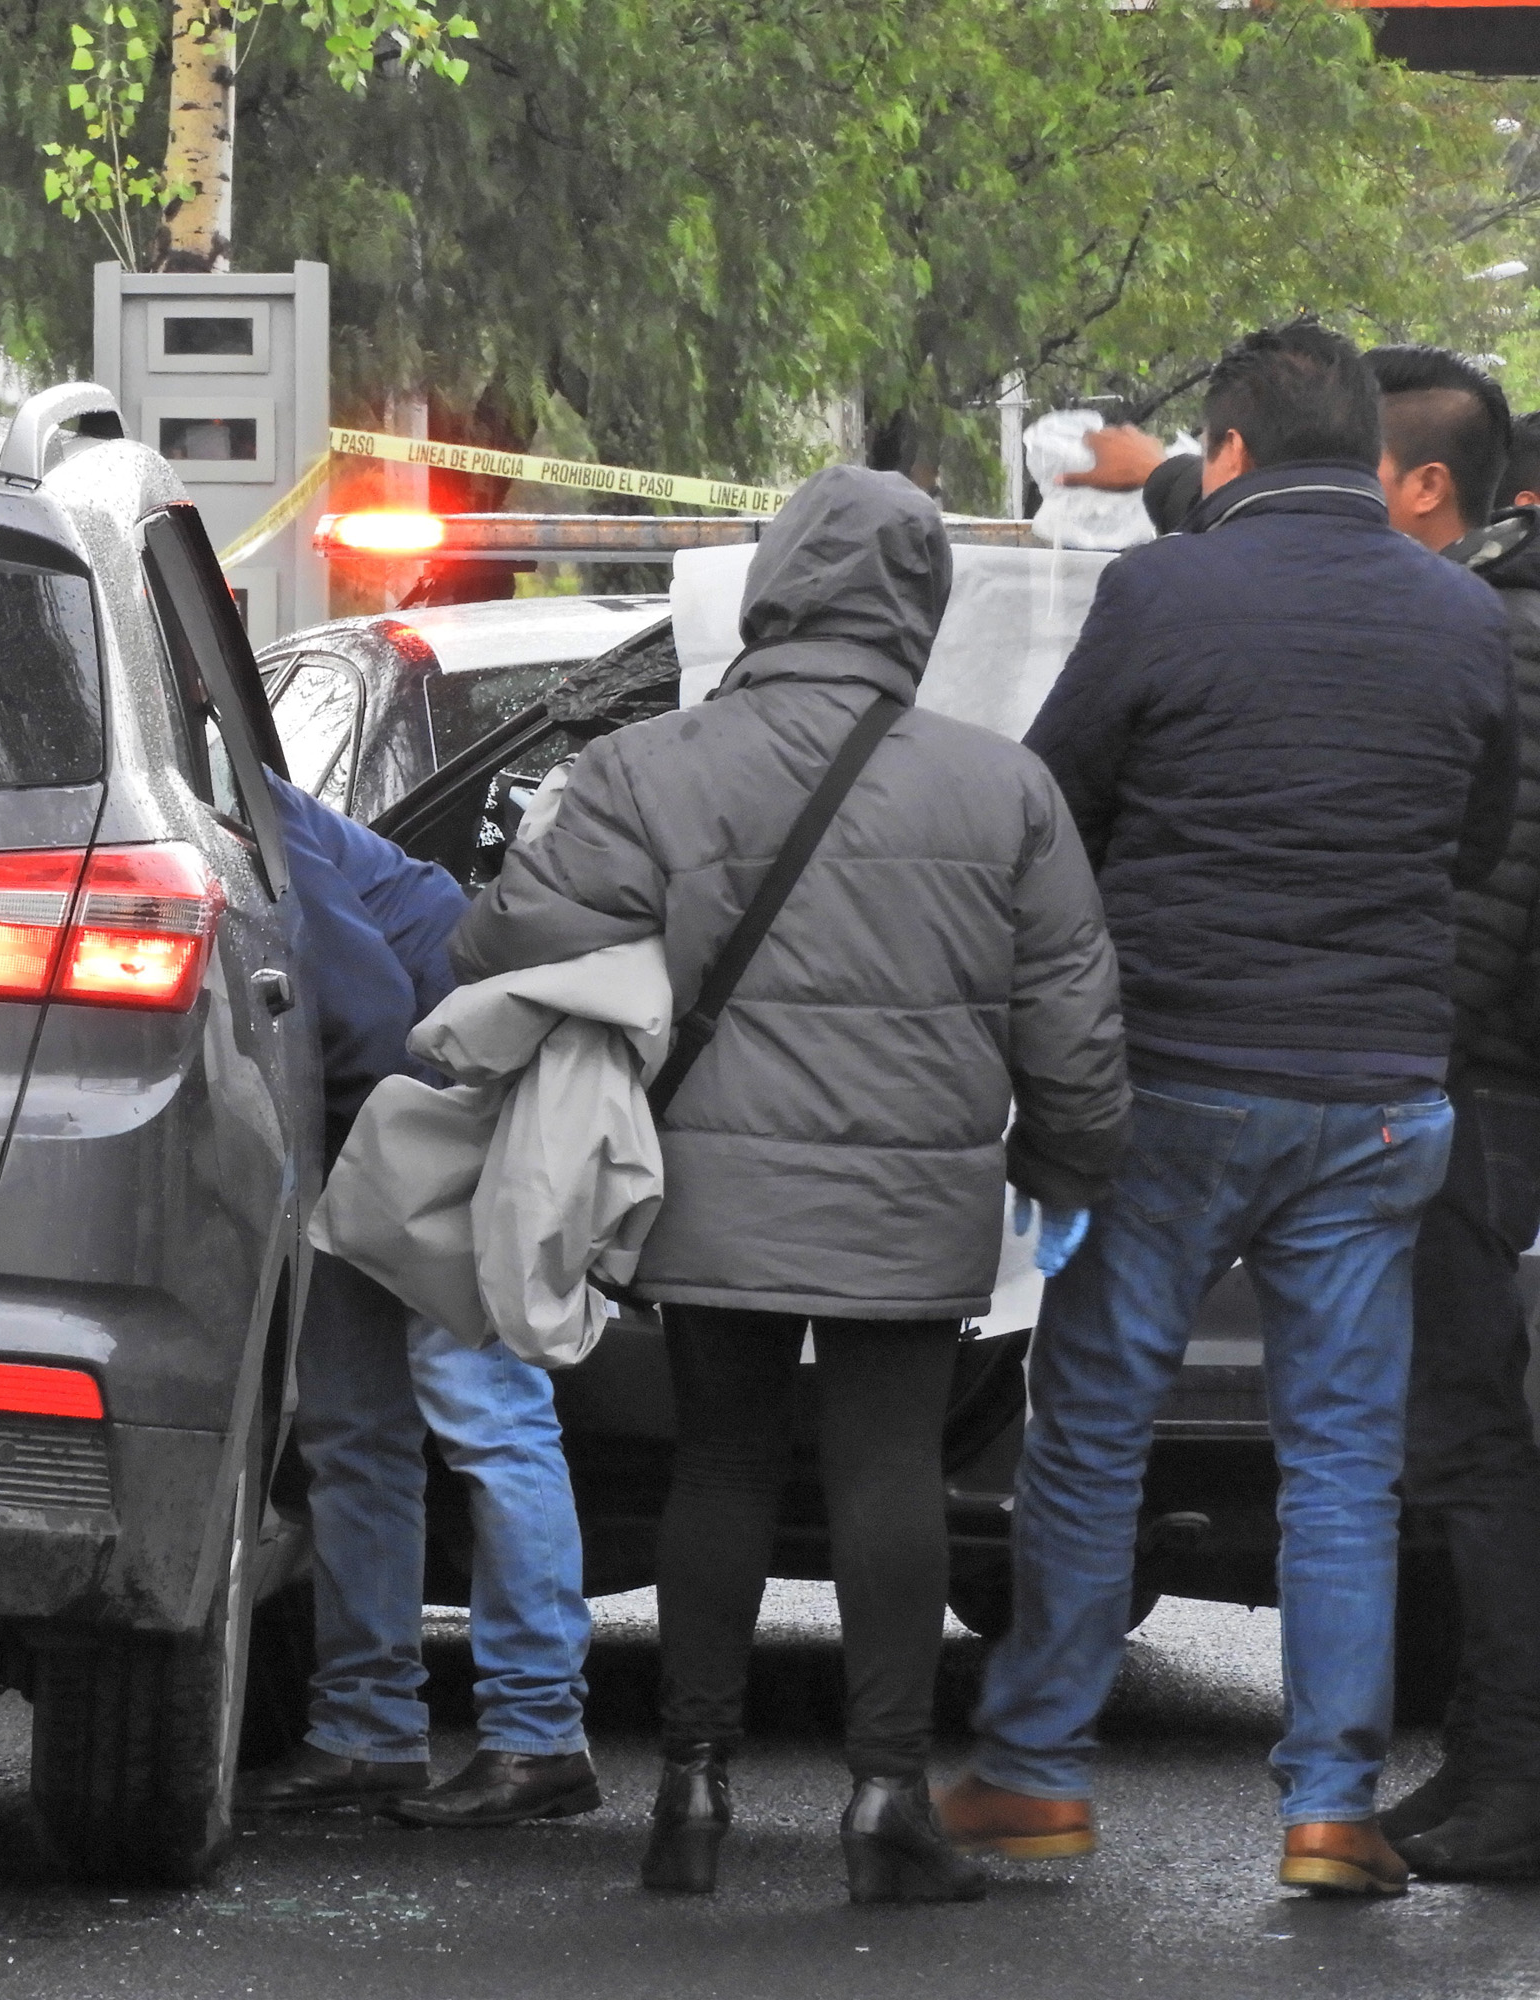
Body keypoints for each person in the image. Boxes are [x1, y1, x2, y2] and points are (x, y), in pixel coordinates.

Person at [451, 463, 1131, 1903]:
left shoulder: (652, 766)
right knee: (889, 1469)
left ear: (774, 586)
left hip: (707, 1179)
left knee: (724, 1462)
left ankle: (691, 1792)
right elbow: (1072, 1021)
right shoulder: (1002, 783)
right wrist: (1068, 1166)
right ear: (919, 604)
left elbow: (503, 945)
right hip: (917, 1198)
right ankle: (888, 1801)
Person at [950, 322, 1517, 1898]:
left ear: (1237, 454)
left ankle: (1035, 1774)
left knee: (1093, 1439)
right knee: (1342, 1463)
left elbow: (1054, 798)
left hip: (1179, 1081)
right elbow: (1473, 847)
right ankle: (1333, 1810)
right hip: (1384, 1103)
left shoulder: (1163, 591)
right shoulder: (1460, 615)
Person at [235, 774, 601, 1831]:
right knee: (356, 1428)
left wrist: (358, 1195)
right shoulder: (222, 800)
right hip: (387, 1113)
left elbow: (361, 1008)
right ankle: (365, 1731)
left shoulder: (248, 814)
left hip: (431, 1106)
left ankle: (538, 1736)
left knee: (484, 1412)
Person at [1358, 348, 1540, 1883]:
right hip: (1492, 1080)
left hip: (1483, 1086)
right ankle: (1484, 1758)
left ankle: (1510, 1773)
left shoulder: (1501, 622)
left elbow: (1489, 892)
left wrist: (1417, 1059)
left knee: (1475, 1444)